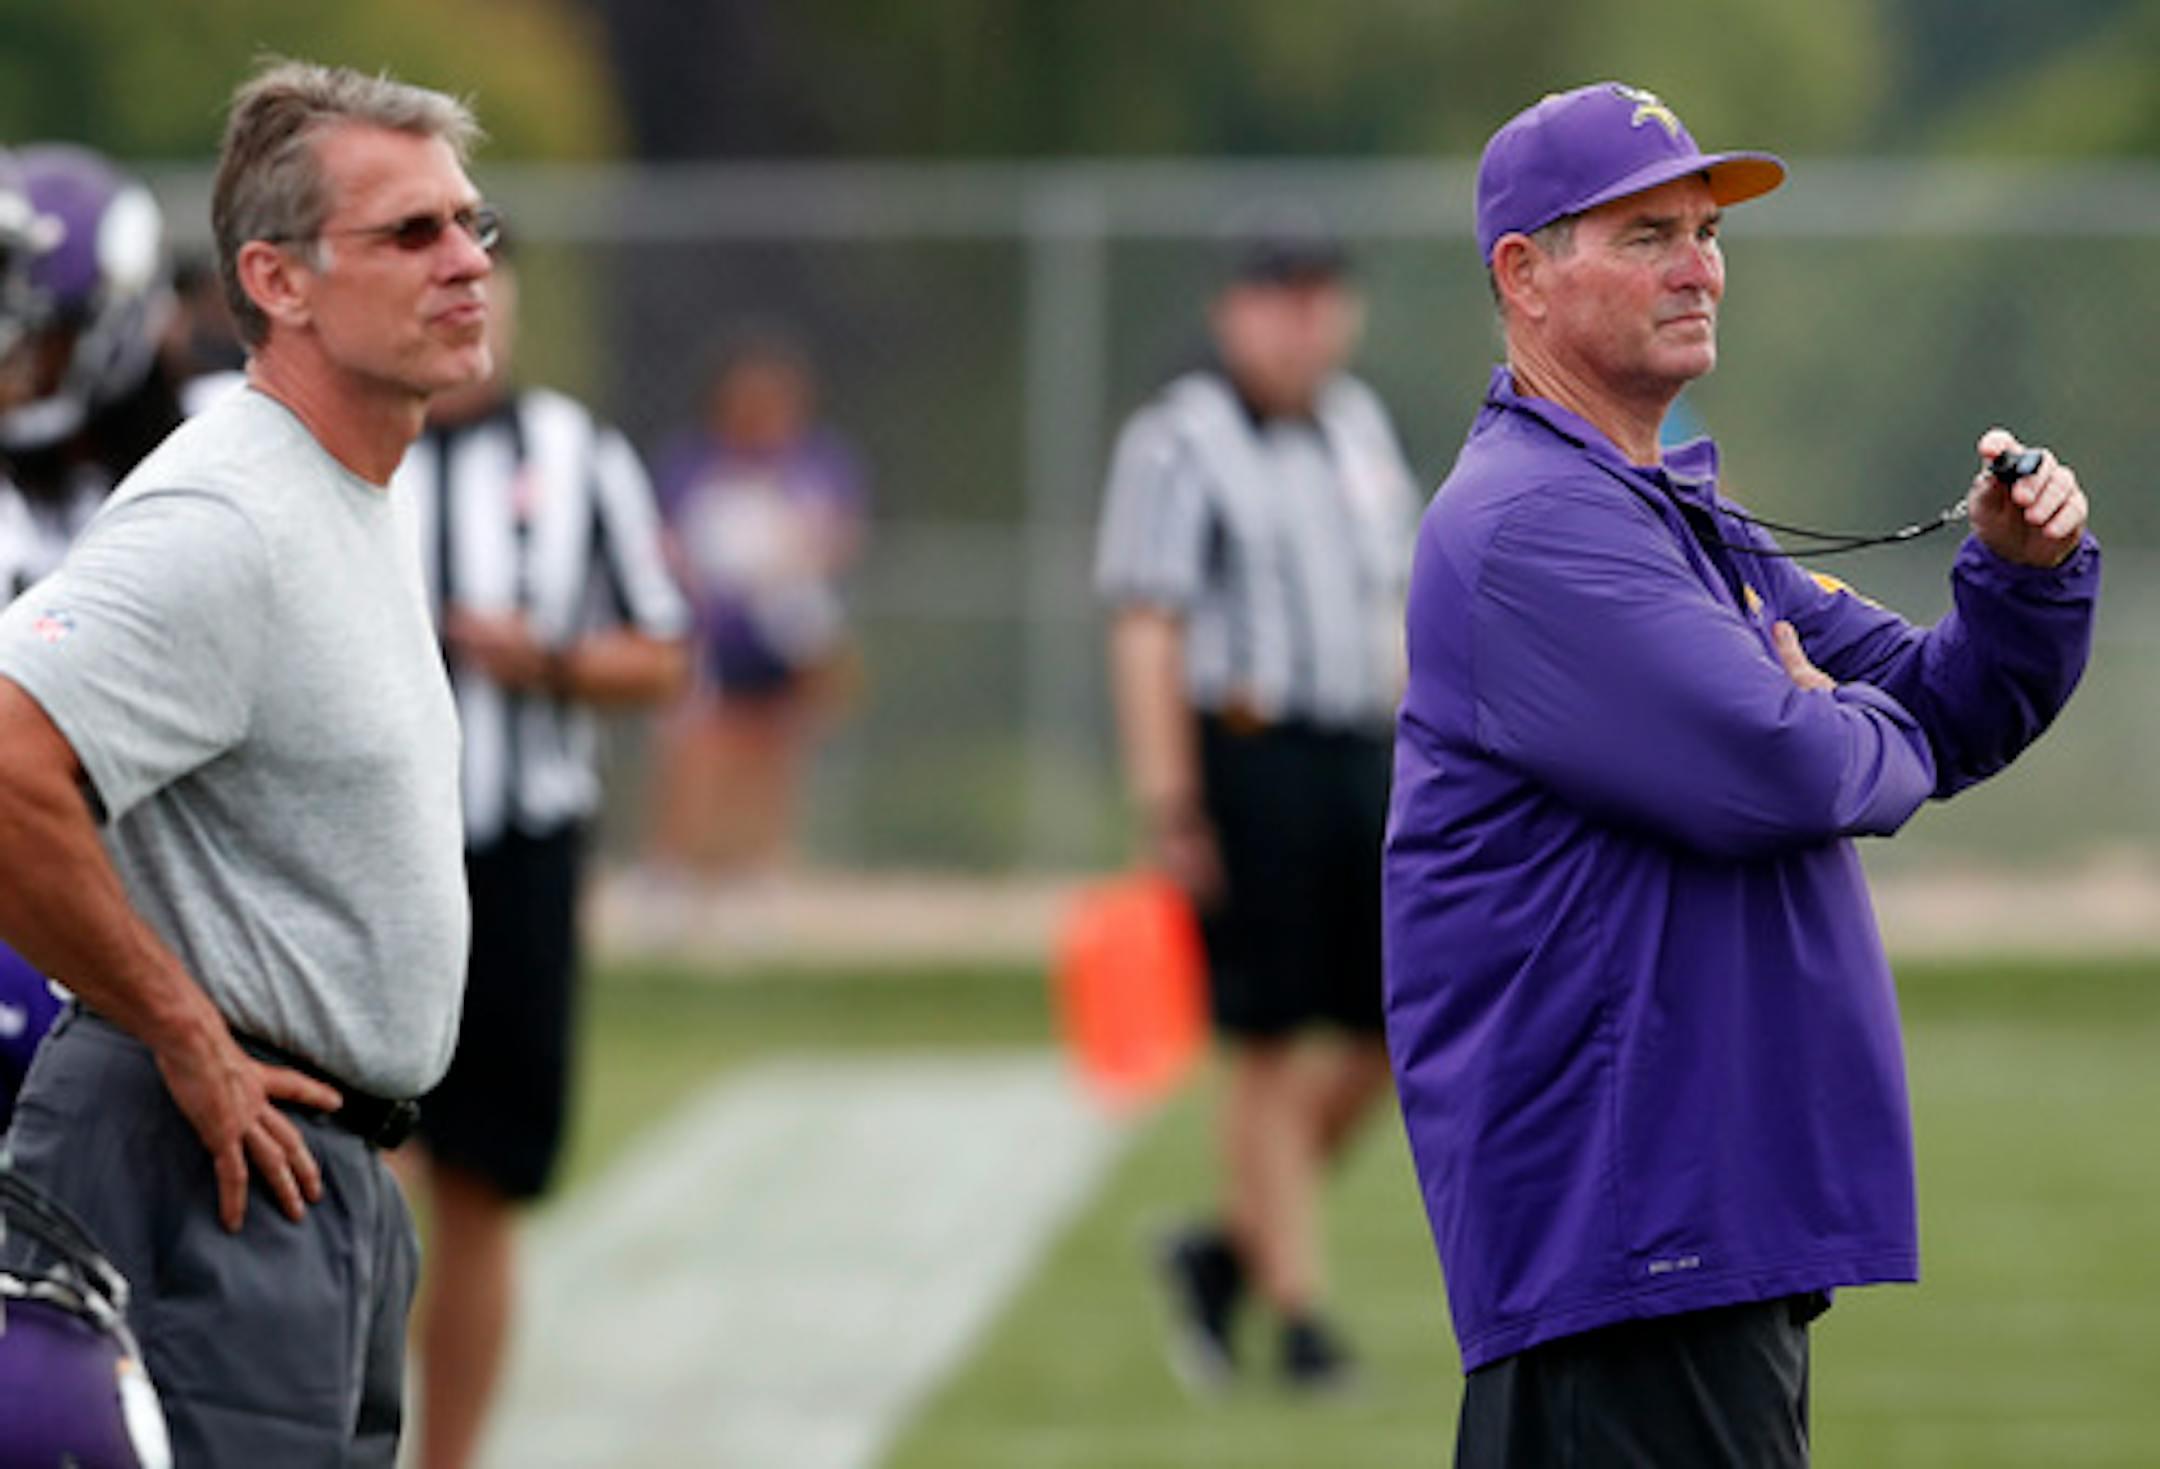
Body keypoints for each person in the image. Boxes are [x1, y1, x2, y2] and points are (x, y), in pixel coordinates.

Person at [1383, 82, 2098, 1465]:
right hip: (1630, 1232)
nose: (1700, 268)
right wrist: (1827, 721)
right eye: (1648, 235)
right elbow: (1780, 765)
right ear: (1523, 275)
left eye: (1707, 233)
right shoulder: (1534, 526)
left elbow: (1936, 712)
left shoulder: (1662, 510)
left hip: (1688, 1226)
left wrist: (2025, 581)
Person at [0, 59, 495, 1464]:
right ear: (277, 281)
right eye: (412, 232)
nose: (467, 261)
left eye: (470, 223)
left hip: (303, 1174)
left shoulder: (337, 491)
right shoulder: (229, 514)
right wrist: (185, 1029)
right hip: (202, 1163)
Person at [1094, 213, 1420, 1391]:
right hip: (1247, 748)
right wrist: (1171, 801)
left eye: (1323, 296)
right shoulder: (1179, 439)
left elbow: (1394, 602)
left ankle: (1227, 1251)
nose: (1304, 323)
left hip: (1359, 748)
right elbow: (1148, 621)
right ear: (1233, 310)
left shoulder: (1358, 426)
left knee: (1394, 1028)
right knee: (1271, 1036)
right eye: (1282, 297)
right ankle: (1299, 1313)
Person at [387, 231, 690, 1469]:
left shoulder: (578, 454)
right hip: (366, 859)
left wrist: (548, 659)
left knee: (485, 1184)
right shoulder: (338, 443)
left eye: (483, 290)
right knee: (362, 1181)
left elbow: (662, 653)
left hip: (519, 852)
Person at [643, 329, 868, 884]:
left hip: (782, 629)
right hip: (710, 631)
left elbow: (839, 537)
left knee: (775, 744)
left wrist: (793, 556)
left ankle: (760, 861)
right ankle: (677, 860)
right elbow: (662, 539)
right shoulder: (693, 465)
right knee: (697, 744)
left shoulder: (816, 464)